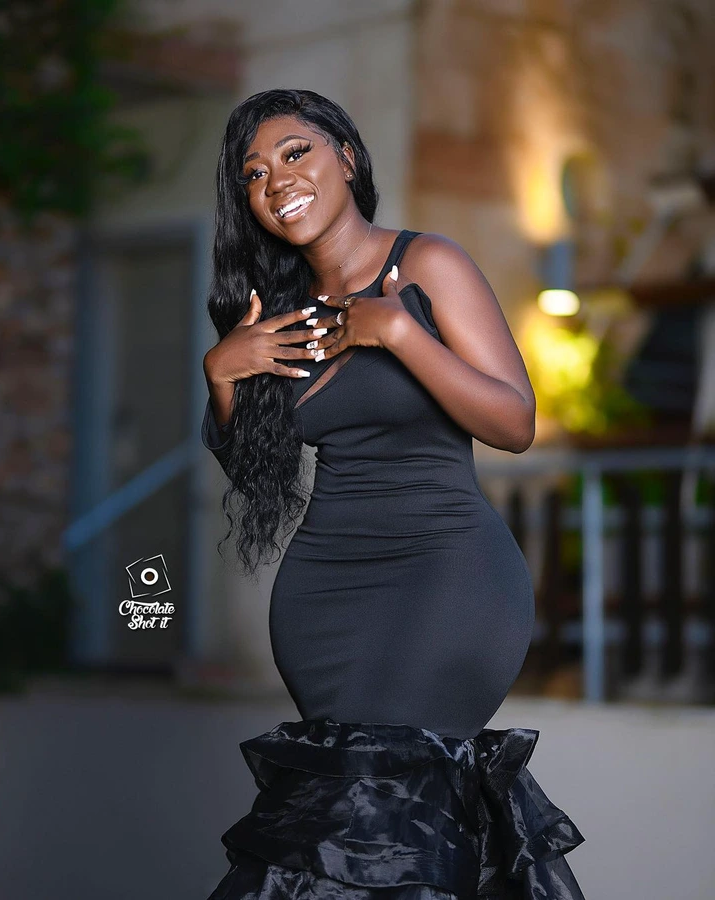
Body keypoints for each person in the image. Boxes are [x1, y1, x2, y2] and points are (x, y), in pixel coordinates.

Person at [201, 89, 586, 900]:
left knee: (387, 819)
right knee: (345, 838)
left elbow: (515, 423)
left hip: (448, 577)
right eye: (254, 174)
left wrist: (401, 333)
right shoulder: (279, 315)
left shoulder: (429, 264)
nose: (276, 180)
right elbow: (257, 475)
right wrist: (224, 373)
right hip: (325, 596)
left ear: (346, 157)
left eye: (296, 153)